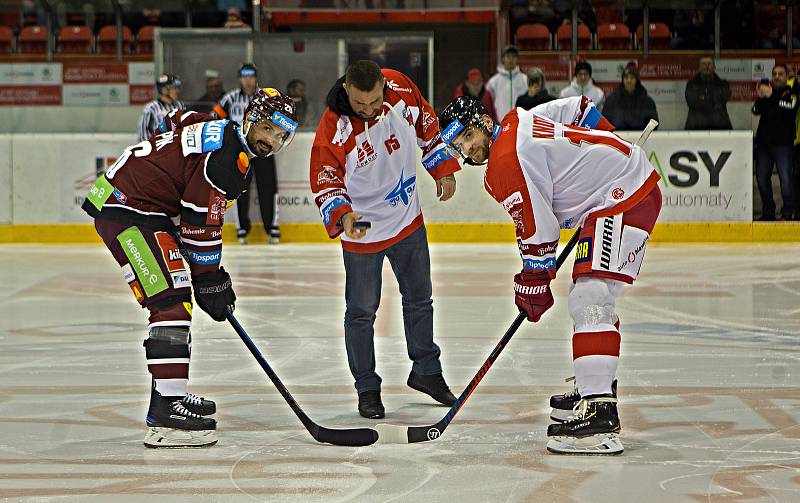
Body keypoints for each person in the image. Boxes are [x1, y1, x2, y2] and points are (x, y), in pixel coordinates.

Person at [437, 95, 661, 455]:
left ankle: (600, 412)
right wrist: (600, 150)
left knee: (591, 297)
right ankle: (594, 385)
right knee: (591, 297)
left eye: (465, 139)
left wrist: (532, 281)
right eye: (457, 146)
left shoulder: (504, 163)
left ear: (480, 122)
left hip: (623, 196)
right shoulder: (517, 119)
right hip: (617, 191)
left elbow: (539, 231)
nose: (465, 152)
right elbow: (578, 108)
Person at [82, 88, 298, 448]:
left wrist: (209, 275)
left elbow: (177, 121)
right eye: (268, 129)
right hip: (128, 210)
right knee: (170, 300)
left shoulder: (219, 129)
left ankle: (169, 394)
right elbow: (200, 227)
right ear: (251, 118)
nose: (272, 141)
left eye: (281, 135)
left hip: (137, 206)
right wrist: (210, 279)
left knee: (175, 296)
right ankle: (166, 413)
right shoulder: (228, 161)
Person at [310, 60, 460, 419]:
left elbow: (427, 125)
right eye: (361, 103)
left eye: (375, 101)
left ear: (383, 87)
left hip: (407, 220)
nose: (370, 109)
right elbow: (325, 178)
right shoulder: (335, 126)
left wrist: (442, 168)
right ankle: (367, 387)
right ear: (347, 90)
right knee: (361, 312)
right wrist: (344, 215)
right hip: (363, 231)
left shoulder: (400, 88)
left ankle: (426, 371)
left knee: (420, 299)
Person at [214, 63, 281, 244]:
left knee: (268, 187)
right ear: (240, 78)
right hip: (239, 150)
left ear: (256, 78)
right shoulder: (230, 98)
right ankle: (242, 227)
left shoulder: (266, 98)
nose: (248, 80)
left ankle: (272, 226)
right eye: (244, 76)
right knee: (238, 188)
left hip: (264, 149)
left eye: (251, 76)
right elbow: (215, 119)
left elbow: (279, 122)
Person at [753, 64, 798, 221]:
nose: (777, 77)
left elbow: (790, 107)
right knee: (762, 178)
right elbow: (755, 110)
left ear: (786, 77)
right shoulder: (767, 93)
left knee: (786, 179)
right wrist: (760, 97)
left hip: (783, 145)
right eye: (774, 74)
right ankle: (768, 212)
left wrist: (772, 95)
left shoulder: (791, 93)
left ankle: (788, 213)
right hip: (764, 144)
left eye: (780, 74)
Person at [602, 62, 659, 130]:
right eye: (626, 77)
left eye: (632, 78)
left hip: (640, 138)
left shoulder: (647, 102)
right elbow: (604, 123)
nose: (629, 80)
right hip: (618, 138)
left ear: (636, 80)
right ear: (623, 80)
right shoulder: (611, 100)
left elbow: (653, 125)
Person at [684, 57, 732, 130]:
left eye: (709, 64)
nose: (706, 66)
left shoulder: (723, 84)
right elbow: (691, 102)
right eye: (703, 64)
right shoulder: (691, 84)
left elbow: (722, 99)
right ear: (699, 67)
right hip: (696, 126)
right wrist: (712, 98)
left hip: (719, 126)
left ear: (714, 67)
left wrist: (701, 97)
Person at [486, 46, 528, 122]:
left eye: (513, 57)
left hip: (520, 124)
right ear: (503, 59)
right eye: (508, 56)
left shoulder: (525, 79)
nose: (511, 59)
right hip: (501, 124)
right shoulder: (493, 82)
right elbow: (488, 104)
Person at [137, 73, 184, 142]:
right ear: (164, 90)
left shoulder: (180, 106)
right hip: (158, 150)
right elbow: (143, 135)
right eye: (174, 88)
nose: (177, 91)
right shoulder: (151, 108)